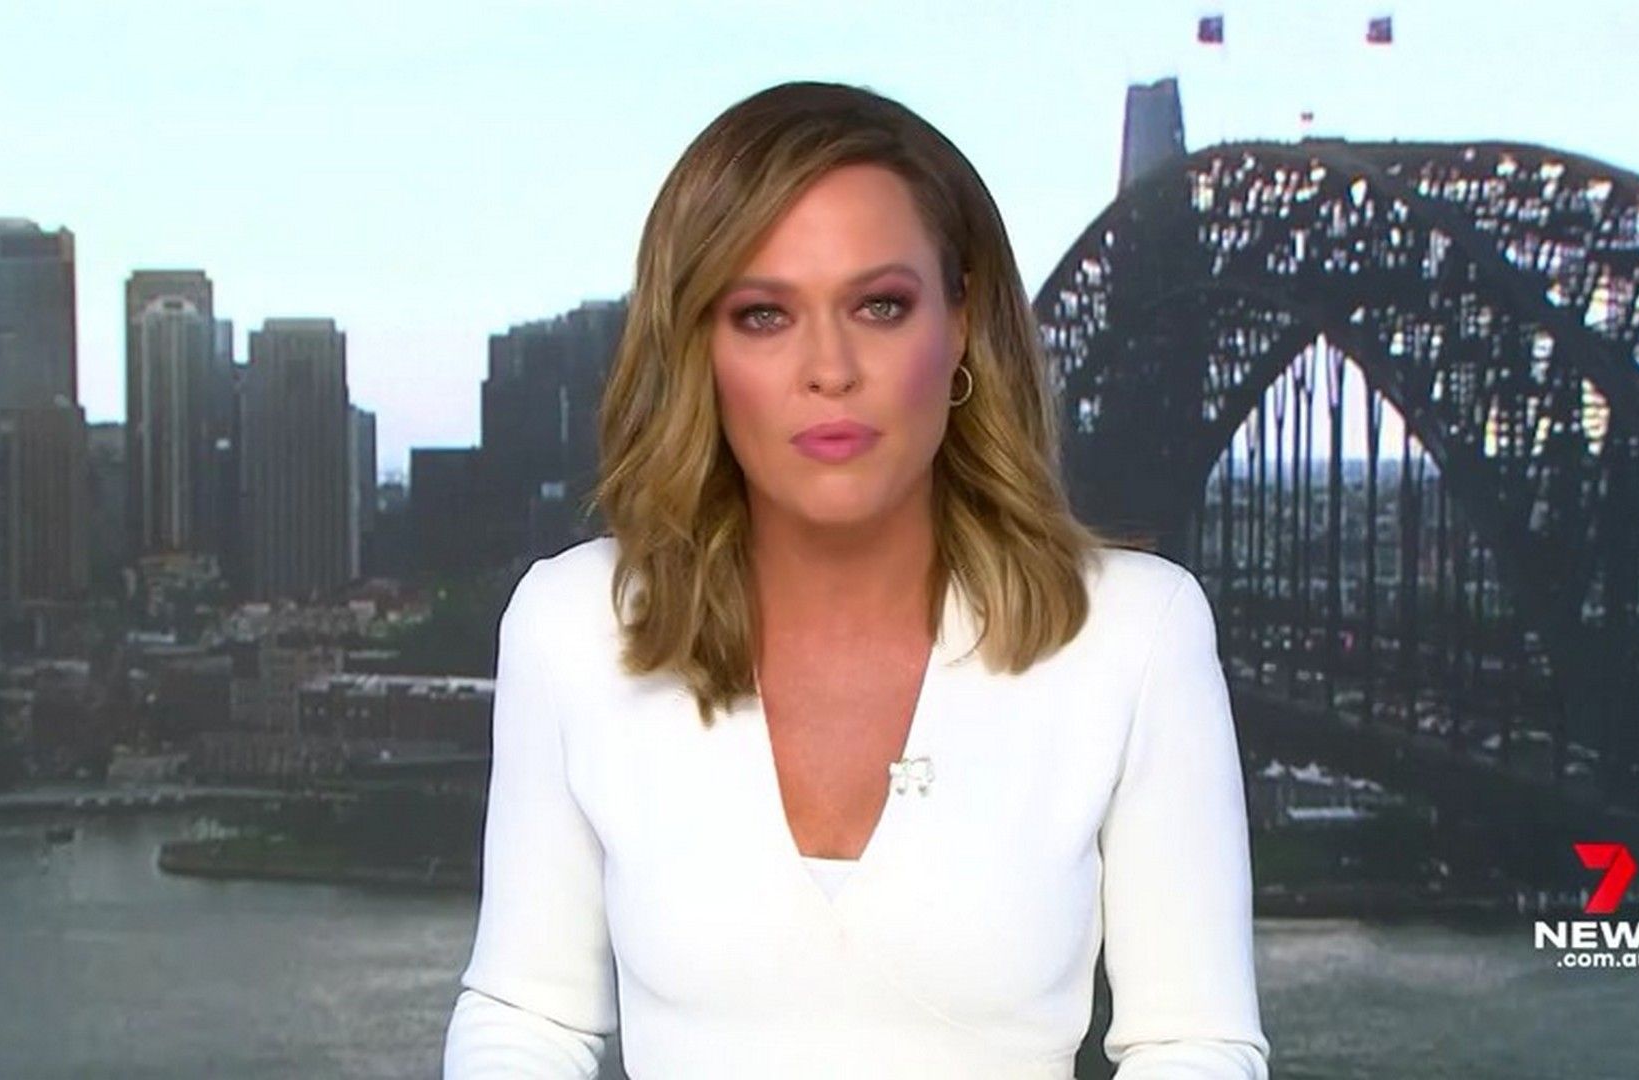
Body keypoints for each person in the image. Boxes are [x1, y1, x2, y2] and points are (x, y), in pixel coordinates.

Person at [441, 80, 1270, 1079]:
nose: (828, 368)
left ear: (960, 325)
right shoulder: (575, 624)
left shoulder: (1133, 632)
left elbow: (1193, 1041)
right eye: (763, 314)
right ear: (699, 349)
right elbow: (527, 1017)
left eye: (880, 306)